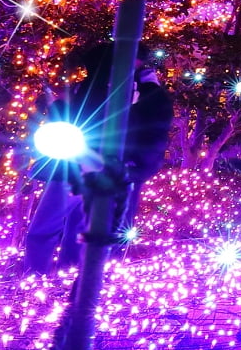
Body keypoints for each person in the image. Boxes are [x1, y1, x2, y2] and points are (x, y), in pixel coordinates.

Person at [23, 43, 113, 274]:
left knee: (44, 226)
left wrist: (58, 104)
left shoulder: (88, 91)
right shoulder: (113, 91)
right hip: (94, 168)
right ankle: (67, 274)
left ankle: (37, 274)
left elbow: (67, 122)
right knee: (77, 226)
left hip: (74, 166)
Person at [118, 62, 173, 247]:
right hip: (131, 163)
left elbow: (155, 133)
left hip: (129, 163)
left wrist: (137, 163)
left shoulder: (149, 94)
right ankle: (107, 261)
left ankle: (105, 263)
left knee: (117, 215)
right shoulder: (151, 93)